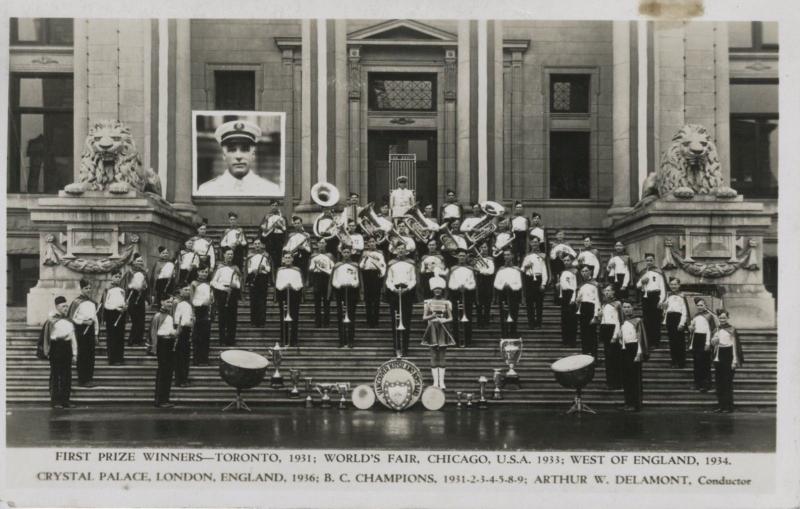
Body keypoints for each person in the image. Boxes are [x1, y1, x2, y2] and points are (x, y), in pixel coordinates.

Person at [196, 119, 281, 195]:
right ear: (224, 155)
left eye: (244, 150)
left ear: (253, 155)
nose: (238, 156)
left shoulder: (270, 190)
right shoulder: (207, 190)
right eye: (232, 150)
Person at [42, 296, 78, 408]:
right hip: (56, 349)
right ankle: (55, 401)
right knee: (56, 376)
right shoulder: (52, 320)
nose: (66, 308)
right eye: (63, 306)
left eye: (66, 306)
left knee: (67, 376)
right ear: (57, 307)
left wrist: (75, 353)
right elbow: (49, 337)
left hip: (67, 348)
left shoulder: (69, 320)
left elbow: (73, 338)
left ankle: (65, 401)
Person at [421, 276, 456, 389]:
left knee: (442, 355)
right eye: (435, 289)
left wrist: (444, 320)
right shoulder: (429, 303)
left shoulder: (446, 303)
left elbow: (451, 318)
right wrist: (432, 316)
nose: (437, 291)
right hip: (432, 328)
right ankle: (435, 382)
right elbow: (424, 317)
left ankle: (442, 382)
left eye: (439, 289)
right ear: (432, 290)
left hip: (443, 329)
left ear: (442, 290)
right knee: (433, 355)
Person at [385, 242, 417, 357]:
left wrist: (408, 288)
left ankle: (405, 348)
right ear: (396, 251)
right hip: (394, 292)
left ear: (406, 251)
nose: (401, 251)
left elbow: (413, 279)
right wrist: (392, 289)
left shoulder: (411, 263)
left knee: (406, 321)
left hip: (407, 292)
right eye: (399, 249)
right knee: (395, 321)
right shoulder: (391, 263)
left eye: (403, 249)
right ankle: (396, 347)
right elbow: (388, 280)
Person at [711, 309, 744, 413]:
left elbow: (735, 345)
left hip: (729, 355)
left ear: (727, 318)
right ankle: (721, 405)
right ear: (718, 318)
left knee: (727, 382)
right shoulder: (716, 329)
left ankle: (728, 407)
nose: (722, 319)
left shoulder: (732, 329)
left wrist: (734, 360)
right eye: (720, 317)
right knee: (719, 382)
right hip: (719, 355)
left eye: (724, 317)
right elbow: (713, 344)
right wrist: (713, 342)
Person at [329, 245, 362, 348]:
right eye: (344, 252)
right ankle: (342, 340)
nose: (346, 254)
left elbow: (357, 279)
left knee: (351, 316)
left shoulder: (355, 265)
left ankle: (351, 340)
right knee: (341, 316)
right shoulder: (337, 265)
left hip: (351, 291)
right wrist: (338, 285)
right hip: (341, 291)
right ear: (341, 253)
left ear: (350, 253)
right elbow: (334, 280)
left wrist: (354, 284)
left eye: (348, 252)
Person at [619, 301, 649, 412]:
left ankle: (636, 404)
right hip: (625, 349)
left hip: (634, 349)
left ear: (633, 308)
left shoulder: (637, 321)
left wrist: (638, 353)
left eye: (628, 307)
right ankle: (628, 402)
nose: (626, 309)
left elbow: (640, 338)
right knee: (626, 378)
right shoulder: (623, 322)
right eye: (624, 307)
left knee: (634, 378)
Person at [69, 279, 100, 387]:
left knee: (91, 355)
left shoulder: (92, 303)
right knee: (83, 355)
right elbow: (72, 318)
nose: (88, 290)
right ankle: (82, 379)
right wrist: (83, 321)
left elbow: (95, 319)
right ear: (81, 289)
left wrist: (96, 333)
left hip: (90, 330)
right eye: (85, 288)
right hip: (81, 330)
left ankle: (89, 378)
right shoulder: (76, 302)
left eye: (89, 288)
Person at [210, 249, 242, 346]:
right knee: (222, 317)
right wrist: (223, 288)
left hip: (232, 293)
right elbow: (213, 282)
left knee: (232, 317)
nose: (230, 256)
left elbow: (239, 282)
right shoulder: (220, 268)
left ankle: (231, 339)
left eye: (231, 254)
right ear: (224, 255)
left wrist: (235, 285)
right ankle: (222, 340)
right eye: (228, 254)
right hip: (222, 293)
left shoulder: (235, 268)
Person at [150, 297, 177, 408]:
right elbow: (154, 332)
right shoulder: (158, 316)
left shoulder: (170, 317)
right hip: (162, 344)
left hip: (169, 343)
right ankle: (160, 400)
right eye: (167, 301)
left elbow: (169, 331)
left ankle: (165, 398)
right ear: (162, 302)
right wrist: (154, 347)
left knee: (168, 372)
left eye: (171, 302)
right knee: (163, 371)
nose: (170, 304)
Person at [636, 253, 666, 348]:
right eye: (647, 260)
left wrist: (661, 300)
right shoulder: (643, 272)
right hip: (646, 297)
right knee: (647, 320)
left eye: (651, 260)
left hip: (655, 296)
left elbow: (663, 287)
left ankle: (655, 342)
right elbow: (637, 286)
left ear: (654, 260)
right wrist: (642, 282)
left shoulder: (659, 272)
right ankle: (648, 341)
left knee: (656, 320)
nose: (649, 262)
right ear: (645, 261)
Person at [447, 249, 476, 348]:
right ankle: (456, 339)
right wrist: (457, 287)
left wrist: (466, 287)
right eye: (460, 256)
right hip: (456, 295)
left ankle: (468, 340)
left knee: (468, 317)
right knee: (455, 318)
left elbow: (473, 283)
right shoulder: (453, 269)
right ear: (457, 257)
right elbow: (451, 283)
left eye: (463, 256)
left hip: (467, 294)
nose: (462, 258)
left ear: (466, 257)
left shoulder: (470, 269)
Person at [688, 298, 717, 392]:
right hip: (696, 340)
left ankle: (706, 385)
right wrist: (691, 329)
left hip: (705, 340)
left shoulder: (709, 316)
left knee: (705, 364)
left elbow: (710, 331)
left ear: (705, 306)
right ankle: (697, 383)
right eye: (698, 305)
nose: (700, 307)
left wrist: (708, 343)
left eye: (701, 305)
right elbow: (693, 331)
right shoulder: (695, 316)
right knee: (697, 363)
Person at [275, 252, 303, 347]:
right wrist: (284, 286)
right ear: (283, 259)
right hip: (283, 294)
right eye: (286, 257)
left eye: (289, 257)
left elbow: (300, 284)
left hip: (294, 294)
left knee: (294, 317)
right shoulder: (280, 270)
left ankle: (293, 340)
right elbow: (278, 284)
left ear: (292, 259)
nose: (287, 259)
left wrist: (293, 287)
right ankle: (284, 339)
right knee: (283, 318)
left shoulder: (297, 270)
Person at [598, 284, 624, 390]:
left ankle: (617, 382)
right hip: (605, 330)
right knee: (608, 357)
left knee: (615, 357)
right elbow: (604, 320)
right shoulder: (604, 304)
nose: (607, 292)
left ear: (614, 292)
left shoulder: (617, 304)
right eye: (605, 290)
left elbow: (619, 321)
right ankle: (610, 381)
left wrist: (615, 335)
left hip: (613, 330)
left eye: (609, 290)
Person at [100, 271, 128, 364]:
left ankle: (120, 358)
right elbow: (106, 304)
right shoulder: (108, 289)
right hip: (111, 314)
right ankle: (112, 359)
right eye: (116, 276)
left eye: (119, 277)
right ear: (112, 277)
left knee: (120, 337)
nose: (118, 278)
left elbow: (123, 301)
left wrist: (125, 307)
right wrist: (116, 308)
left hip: (121, 314)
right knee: (112, 337)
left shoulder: (122, 290)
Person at [662, 277, 690, 368]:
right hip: (670, 318)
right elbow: (666, 310)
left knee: (680, 342)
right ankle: (674, 361)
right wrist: (665, 319)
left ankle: (681, 362)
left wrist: (682, 323)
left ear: (679, 285)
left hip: (678, 318)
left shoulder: (682, 296)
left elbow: (685, 311)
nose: (673, 286)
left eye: (675, 284)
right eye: (672, 284)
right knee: (672, 341)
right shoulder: (668, 295)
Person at [494, 249, 523, 337]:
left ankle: (513, 333)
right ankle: (504, 334)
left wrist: (511, 287)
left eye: (508, 255)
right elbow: (496, 283)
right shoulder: (500, 270)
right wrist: (503, 286)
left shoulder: (516, 270)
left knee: (514, 314)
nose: (506, 257)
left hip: (513, 294)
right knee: (503, 315)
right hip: (503, 294)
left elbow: (519, 284)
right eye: (505, 255)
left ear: (512, 256)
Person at [521, 239, 549, 329]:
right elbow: (522, 269)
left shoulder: (542, 256)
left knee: (539, 303)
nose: (535, 244)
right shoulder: (527, 256)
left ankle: (538, 323)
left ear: (539, 244)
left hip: (539, 279)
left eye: (536, 242)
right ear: (530, 244)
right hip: (529, 280)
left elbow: (544, 270)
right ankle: (531, 323)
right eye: (533, 242)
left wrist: (543, 283)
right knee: (529, 303)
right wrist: (526, 267)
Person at [359, 236, 387, 327]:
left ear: (375, 243)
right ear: (367, 244)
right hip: (367, 275)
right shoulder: (364, 253)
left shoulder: (380, 253)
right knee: (368, 299)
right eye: (370, 242)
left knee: (376, 299)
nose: (372, 243)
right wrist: (365, 258)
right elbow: (361, 266)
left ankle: (375, 320)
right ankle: (369, 320)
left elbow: (383, 265)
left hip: (376, 275)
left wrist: (382, 274)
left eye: (373, 242)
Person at [308, 238, 335, 328]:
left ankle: (326, 322)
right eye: (320, 243)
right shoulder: (313, 256)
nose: (321, 244)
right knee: (317, 302)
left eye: (323, 243)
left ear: (326, 244)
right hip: (317, 278)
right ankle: (318, 322)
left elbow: (333, 268)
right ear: (317, 244)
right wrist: (314, 267)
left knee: (326, 301)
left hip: (327, 279)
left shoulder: (330, 255)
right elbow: (310, 268)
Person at [246, 239, 272, 328]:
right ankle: (253, 321)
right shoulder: (250, 255)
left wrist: (264, 267)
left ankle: (261, 321)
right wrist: (252, 270)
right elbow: (247, 268)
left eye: (259, 244)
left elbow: (269, 269)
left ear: (261, 245)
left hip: (262, 278)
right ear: (253, 245)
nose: (257, 245)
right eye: (255, 244)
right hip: (253, 278)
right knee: (253, 300)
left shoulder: (266, 255)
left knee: (262, 300)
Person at [122, 255, 148, 347]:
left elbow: (146, 286)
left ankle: (139, 340)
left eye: (141, 261)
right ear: (133, 262)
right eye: (138, 261)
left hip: (141, 297)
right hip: (132, 296)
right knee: (135, 320)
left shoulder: (144, 273)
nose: (140, 263)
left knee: (141, 320)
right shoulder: (129, 272)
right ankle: (131, 340)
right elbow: (125, 285)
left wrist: (146, 294)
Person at [575, 265, 601, 357]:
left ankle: (594, 356)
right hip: (582, 309)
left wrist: (595, 315)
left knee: (592, 334)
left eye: (586, 271)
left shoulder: (595, 284)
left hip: (591, 308)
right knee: (583, 333)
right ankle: (585, 354)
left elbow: (597, 300)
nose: (584, 273)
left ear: (590, 272)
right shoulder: (581, 285)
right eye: (582, 271)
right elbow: (578, 300)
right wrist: (577, 302)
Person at [190, 266, 213, 366]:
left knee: (206, 335)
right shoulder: (194, 283)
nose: (204, 274)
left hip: (206, 311)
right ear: (198, 272)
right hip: (197, 310)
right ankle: (196, 358)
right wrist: (194, 310)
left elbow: (212, 298)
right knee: (196, 336)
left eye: (206, 272)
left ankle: (204, 358)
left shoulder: (209, 284)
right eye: (202, 272)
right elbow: (191, 298)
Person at [173, 286, 194, 388]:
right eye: (185, 290)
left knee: (185, 356)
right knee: (181, 356)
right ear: (180, 291)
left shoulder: (187, 304)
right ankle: (180, 379)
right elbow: (177, 319)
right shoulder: (177, 303)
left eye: (189, 290)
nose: (188, 292)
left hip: (186, 330)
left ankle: (183, 378)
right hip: (180, 329)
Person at [473, 242, 496, 329]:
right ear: (479, 249)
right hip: (479, 281)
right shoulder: (477, 259)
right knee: (479, 303)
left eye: (485, 247)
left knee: (487, 302)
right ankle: (479, 322)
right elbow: (474, 270)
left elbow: (491, 271)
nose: (484, 249)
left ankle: (486, 321)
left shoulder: (491, 259)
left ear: (488, 248)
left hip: (488, 281)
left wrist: (480, 271)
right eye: (482, 247)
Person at [549, 231, 576, 304]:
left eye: (561, 234)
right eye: (558, 234)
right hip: (557, 265)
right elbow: (551, 257)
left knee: (565, 282)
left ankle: (565, 299)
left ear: (564, 235)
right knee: (557, 282)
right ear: (556, 236)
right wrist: (556, 254)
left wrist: (565, 253)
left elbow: (573, 254)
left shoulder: (567, 244)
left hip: (565, 265)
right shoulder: (554, 245)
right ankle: (557, 299)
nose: (560, 236)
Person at [558, 253, 579, 346]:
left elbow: (575, 286)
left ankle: (572, 341)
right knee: (564, 319)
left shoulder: (575, 271)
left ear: (572, 261)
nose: (566, 262)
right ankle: (565, 340)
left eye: (568, 260)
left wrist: (573, 298)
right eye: (565, 260)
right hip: (564, 296)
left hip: (571, 295)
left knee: (572, 319)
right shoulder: (563, 272)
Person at [261, 201, 287, 274]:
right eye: (273, 205)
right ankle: (270, 277)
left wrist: (280, 227)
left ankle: (277, 276)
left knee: (278, 259)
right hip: (270, 239)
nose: (274, 206)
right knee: (268, 259)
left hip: (279, 239)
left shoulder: (282, 217)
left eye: (276, 205)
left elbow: (285, 230)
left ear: (278, 206)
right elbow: (263, 229)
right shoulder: (267, 216)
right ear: (270, 206)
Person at [284, 215, 312, 280]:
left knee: (302, 275)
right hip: (292, 257)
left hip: (303, 257)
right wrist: (288, 251)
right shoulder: (291, 235)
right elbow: (286, 247)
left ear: (301, 224)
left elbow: (309, 249)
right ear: (293, 225)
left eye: (298, 223)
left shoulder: (306, 235)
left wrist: (304, 248)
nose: (297, 225)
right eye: (295, 223)